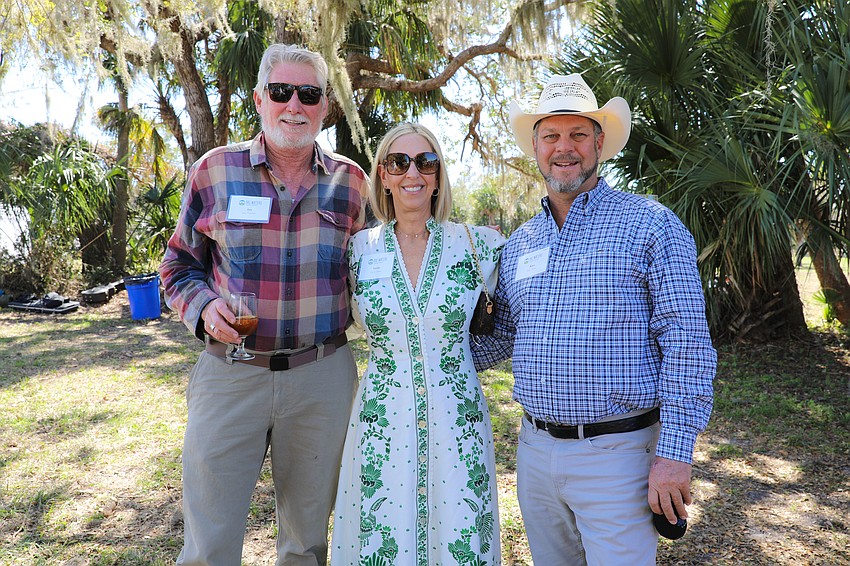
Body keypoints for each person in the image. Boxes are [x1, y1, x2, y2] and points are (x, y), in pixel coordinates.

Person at [472, 74, 716, 565]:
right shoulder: (520, 243)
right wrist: (416, 342)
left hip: (619, 455)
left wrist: (674, 455)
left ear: (599, 142)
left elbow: (687, 342)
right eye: (551, 135)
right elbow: (503, 337)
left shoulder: (651, 225)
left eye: (578, 134)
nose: (564, 147)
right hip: (535, 454)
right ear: (536, 148)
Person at [159, 44, 368, 566]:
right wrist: (203, 308)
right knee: (209, 544)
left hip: (323, 377)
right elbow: (178, 266)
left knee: (307, 542)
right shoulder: (214, 171)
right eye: (281, 91)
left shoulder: (352, 183)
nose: (294, 105)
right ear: (259, 99)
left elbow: (376, 272)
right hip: (232, 373)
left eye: (309, 94)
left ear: (325, 107)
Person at [330, 123, 504, 565]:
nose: (413, 173)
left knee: (459, 535)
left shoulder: (479, 246)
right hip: (381, 424)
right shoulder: (358, 250)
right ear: (383, 176)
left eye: (426, 162)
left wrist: (464, 361)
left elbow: (518, 320)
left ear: (439, 175)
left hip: (457, 422)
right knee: (382, 538)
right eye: (399, 162)